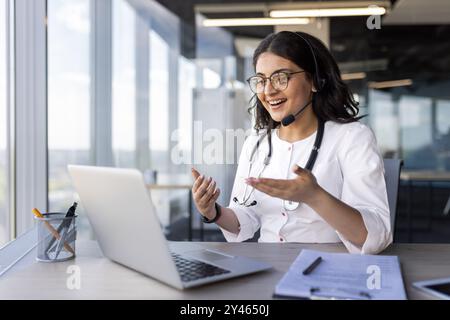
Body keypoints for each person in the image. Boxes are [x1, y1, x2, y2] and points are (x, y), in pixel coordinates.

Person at [191, 31, 392, 255]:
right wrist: (213, 212)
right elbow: (245, 218)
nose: (268, 91)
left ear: (315, 81)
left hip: (329, 271)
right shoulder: (256, 143)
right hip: (268, 269)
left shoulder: (352, 138)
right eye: (261, 80)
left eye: (281, 78)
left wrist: (315, 196)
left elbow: (373, 236)